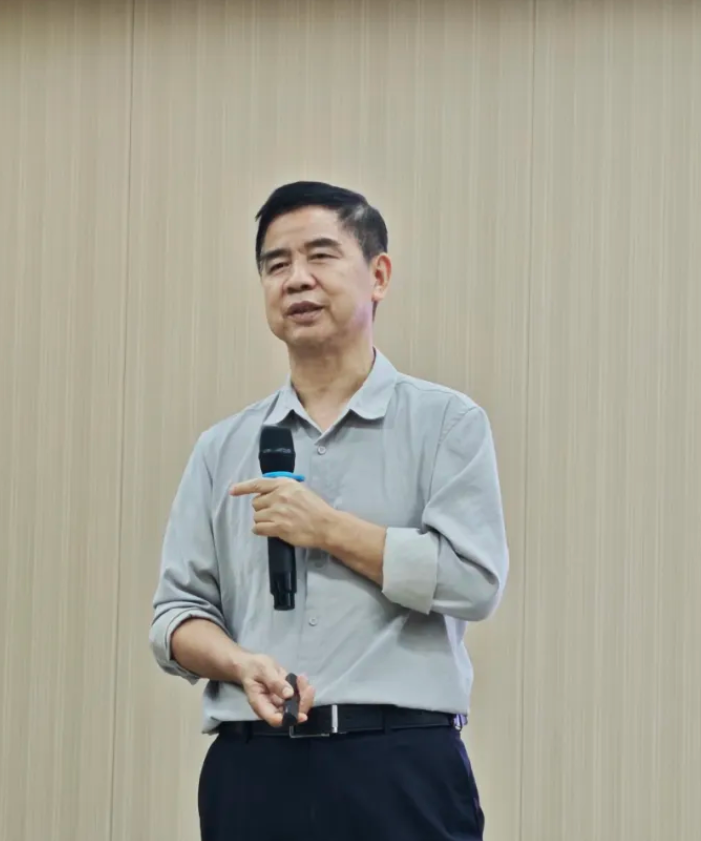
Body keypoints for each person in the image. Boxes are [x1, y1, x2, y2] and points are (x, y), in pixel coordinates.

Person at [149, 180, 510, 841]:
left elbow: (474, 581)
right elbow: (175, 617)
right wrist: (239, 663)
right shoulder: (221, 448)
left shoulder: (446, 423)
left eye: (320, 255)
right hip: (252, 765)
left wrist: (328, 530)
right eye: (276, 264)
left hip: (399, 764)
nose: (296, 279)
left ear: (379, 275)